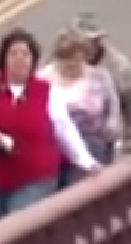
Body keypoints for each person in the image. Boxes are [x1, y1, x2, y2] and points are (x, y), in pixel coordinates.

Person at [0, 28, 101, 228]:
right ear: (3, 59)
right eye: (13, 54)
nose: (20, 59)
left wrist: (86, 161)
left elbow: (64, 129)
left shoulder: (46, 92)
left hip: (34, 178)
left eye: (26, 54)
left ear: (33, 60)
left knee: (17, 227)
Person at [37, 29, 121, 189]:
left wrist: (112, 127)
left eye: (76, 60)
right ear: (57, 60)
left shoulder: (98, 77)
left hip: (94, 143)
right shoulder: (42, 81)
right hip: (58, 147)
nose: (72, 66)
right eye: (66, 61)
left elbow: (112, 107)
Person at [71, 12, 131, 155]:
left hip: (98, 142)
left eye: (88, 42)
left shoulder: (118, 69)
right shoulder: (63, 61)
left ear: (97, 41)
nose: (83, 47)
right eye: (79, 42)